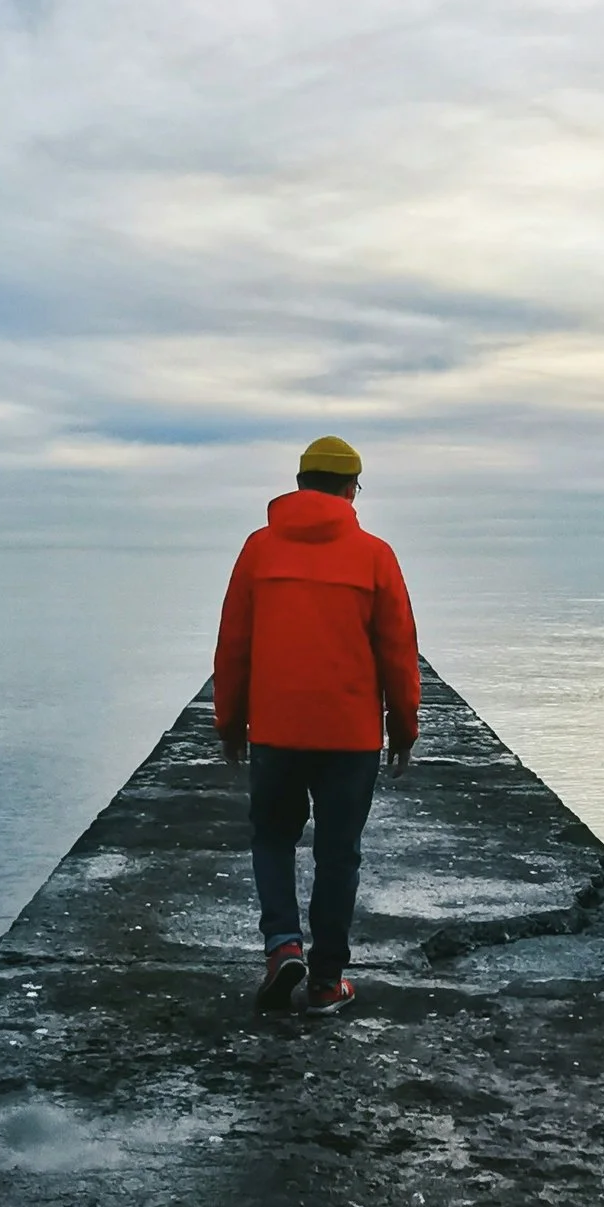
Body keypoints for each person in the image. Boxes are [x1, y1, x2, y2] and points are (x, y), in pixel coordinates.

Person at [213, 434, 421, 1018]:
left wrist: (229, 722)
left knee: (273, 839)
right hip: (349, 737)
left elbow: (233, 645)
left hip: (276, 730)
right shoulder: (375, 555)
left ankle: (282, 948)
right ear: (353, 489)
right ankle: (327, 982)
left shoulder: (258, 549)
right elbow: (399, 651)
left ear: (301, 484)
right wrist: (403, 729)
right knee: (338, 855)